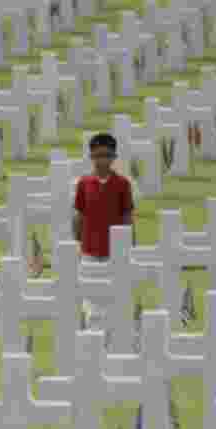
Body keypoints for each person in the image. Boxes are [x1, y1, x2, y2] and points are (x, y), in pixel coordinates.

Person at [73, 133, 134, 328]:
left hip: (114, 250)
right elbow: (79, 216)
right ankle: (91, 334)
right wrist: (79, 243)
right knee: (90, 296)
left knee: (112, 296)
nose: (102, 160)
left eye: (106, 155)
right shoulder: (84, 184)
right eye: (97, 155)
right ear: (91, 157)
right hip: (89, 249)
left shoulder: (123, 184)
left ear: (113, 157)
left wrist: (129, 246)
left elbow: (127, 216)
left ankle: (109, 335)